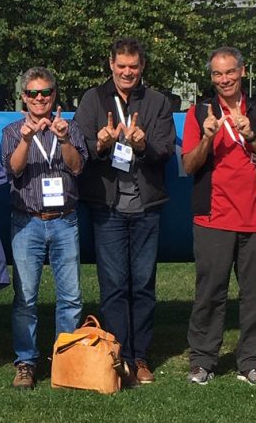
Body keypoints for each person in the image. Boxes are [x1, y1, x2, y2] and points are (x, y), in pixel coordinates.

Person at [179, 47, 256, 386]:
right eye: (217, 74)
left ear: (242, 72)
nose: (224, 79)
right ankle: (202, 361)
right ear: (211, 77)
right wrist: (209, 138)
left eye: (230, 72)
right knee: (210, 293)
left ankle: (252, 362)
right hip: (213, 217)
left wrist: (252, 137)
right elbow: (189, 165)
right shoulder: (199, 114)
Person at [73, 38, 176, 385]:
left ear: (141, 67)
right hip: (108, 207)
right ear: (111, 65)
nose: (127, 72)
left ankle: (140, 357)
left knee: (143, 285)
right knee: (115, 285)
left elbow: (166, 150)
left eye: (133, 66)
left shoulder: (158, 101)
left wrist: (144, 145)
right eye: (121, 66)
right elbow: (78, 148)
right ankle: (119, 358)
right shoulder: (93, 99)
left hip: (146, 206)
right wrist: (100, 145)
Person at [1, 67, 85, 389]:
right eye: (33, 93)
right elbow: (13, 169)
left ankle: (65, 359)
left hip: (65, 220)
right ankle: (26, 363)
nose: (40, 98)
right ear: (24, 96)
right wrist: (26, 139)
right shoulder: (12, 131)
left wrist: (63, 139)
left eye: (45, 92)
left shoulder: (71, 127)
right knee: (25, 298)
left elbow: (77, 168)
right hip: (28, 222)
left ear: (54, 95)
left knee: (72, 297)